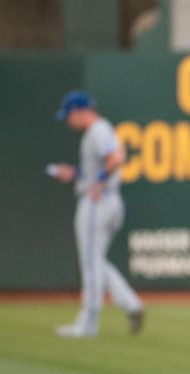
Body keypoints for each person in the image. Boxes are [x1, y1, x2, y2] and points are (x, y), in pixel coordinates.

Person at [49, 90, 144, 338]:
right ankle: (130, 303)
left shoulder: (98, 130)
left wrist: (99, 181)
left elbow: (117, 157)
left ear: (80, 112)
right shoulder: (99, 131)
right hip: (108, 201)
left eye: (69, 115)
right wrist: (76, 174)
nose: (68, 121)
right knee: (96, 260)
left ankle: (88, 321)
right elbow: (100, 165)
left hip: (98, 203)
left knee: (90, 263)